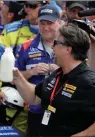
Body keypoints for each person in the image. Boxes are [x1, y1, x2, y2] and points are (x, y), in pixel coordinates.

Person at [13, 23, 95, 136]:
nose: (52, 47)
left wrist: (82, 135)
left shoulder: (88, 81)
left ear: (68, 49)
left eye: (56, 43)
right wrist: (18, 77)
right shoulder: (58, 74)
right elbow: (34, 97)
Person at [0, 1, 46, 135]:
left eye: (32, 6)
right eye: (26, 5)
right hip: (17, 99)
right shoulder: (11, 30)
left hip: (48, 100)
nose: (27, 9)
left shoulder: (58, 30)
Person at [15, 5, 61, 136]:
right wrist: (31, 72)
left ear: (59, 22)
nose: (46, 28)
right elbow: (14, 77)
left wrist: (61, 72)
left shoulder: (70, 45)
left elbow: (84, 73)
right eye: (42, 23)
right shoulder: (26, 47)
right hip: (35, 109)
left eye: (50, 23)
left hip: (63, 110)